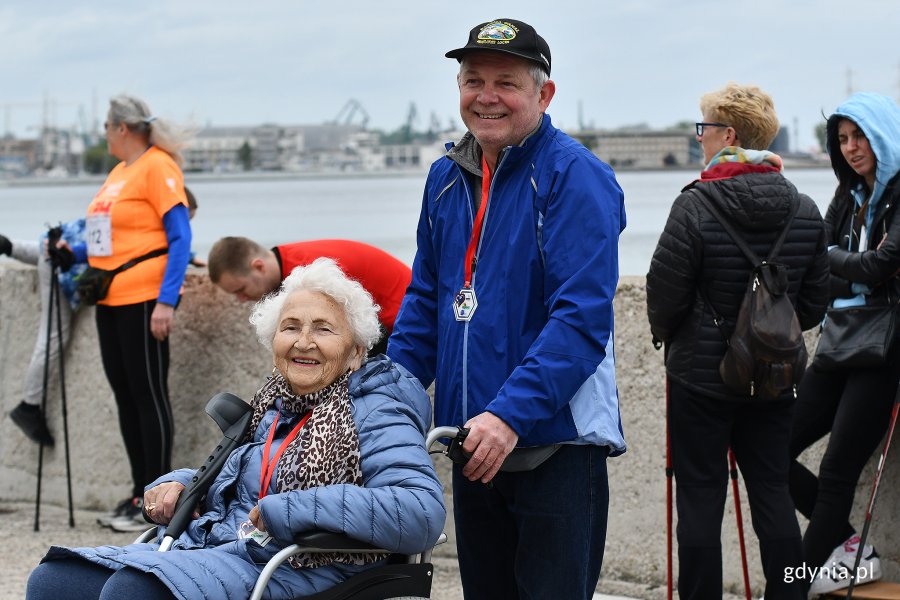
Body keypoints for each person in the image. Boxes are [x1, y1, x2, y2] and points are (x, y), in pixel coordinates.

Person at [25, 257, 446, 600]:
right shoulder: (274, 403)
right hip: (225, 544)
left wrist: (292, 509)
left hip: (303, 564)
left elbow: (420, 512)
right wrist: (177, 485)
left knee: (133, 591)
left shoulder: (375, 411)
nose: (303, 342)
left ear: (356, 352)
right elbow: (237, 481)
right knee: (54, 581)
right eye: (291, 327)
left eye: (323, 328)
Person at [386, 18, 626, 600]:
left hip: (553, 447)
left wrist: (509, 416)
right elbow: (425, 302)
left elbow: (580, 320)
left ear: (543, 94)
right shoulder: (445, 177)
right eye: (473, 80)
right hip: (472, 444)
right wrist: (386, 401)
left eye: (506, 82)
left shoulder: (576, 176)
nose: (486, 96)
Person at [646, 82, 830, 599]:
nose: (698, 138)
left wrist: (679, 339)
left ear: (728, 134)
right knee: (773, 493)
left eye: (703, 128)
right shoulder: (804, 208)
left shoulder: (695, 205)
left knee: (701, 499)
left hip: (700, 382)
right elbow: (814, 302)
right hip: (774, 379)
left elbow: (664, 297)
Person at [788, 92, 900, 595]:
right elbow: (822, 270)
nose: (852, 148)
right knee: (772, 449)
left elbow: (881, 266)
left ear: (884, 137)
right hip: (839, 341)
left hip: (884, 352)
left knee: (836, 472)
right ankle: (854, 550)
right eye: (843, 140)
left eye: (861, 137)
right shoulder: (846, 195)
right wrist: (851, 266)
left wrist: (841, 261)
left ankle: (793, 585)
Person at [82, 95, 193, 532]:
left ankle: (157, 498)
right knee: (126, 396)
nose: (105, 136)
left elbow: (180, 237)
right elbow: (106, 236)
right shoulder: (117, 173)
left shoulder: (158, 165)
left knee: (149, 396)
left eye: (106, 129)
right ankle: (136, 494)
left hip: (145, 298)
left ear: (120, 129)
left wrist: (166, 301)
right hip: (108, 299)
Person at [207, 236, 411, 356]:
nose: (242, 299)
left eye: (241, 290)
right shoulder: (289, 263)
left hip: (404, 323)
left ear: (258, 267)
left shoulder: (309, 274)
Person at [2, 219, 87, 445]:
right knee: (54, 335)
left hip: (54, 251)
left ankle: (10, 246)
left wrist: (11, 248)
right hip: (62, 262)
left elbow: (45, 252)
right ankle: (29, 405)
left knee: (52, 334)